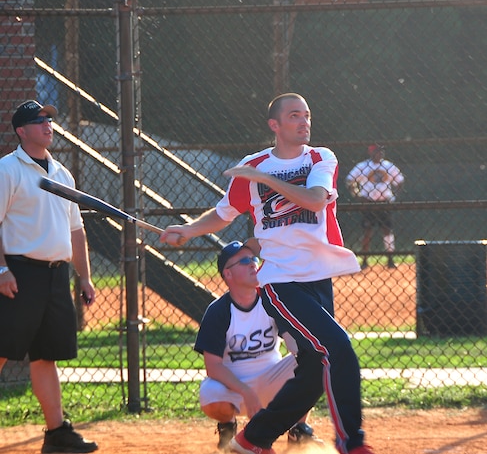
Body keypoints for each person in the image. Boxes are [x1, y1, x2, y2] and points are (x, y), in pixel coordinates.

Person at [160, 93, 376, 454]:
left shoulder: (320, 157)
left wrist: (263, 178)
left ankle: (252, 438)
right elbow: (224, 213)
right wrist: (188, 230)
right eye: (294, 116)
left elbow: (314, 199)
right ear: (274, 125)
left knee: (311, 370)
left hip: (318, 277)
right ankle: (352, 442)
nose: (304, 121)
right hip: (280, 280)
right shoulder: (253, 165)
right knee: (337, 348)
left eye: (306, 115)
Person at [0, 100, 98, 453]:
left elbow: (76, 230)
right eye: (38, 121)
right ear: (21, 131)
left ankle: (57, 433)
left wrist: (83, 277)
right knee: (2, 349)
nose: (47, 125)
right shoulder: (8, 170)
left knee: (46, 356)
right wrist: (1, 270)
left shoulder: (62, 174)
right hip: (19, 272)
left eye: (49, 120)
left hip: (56, 275)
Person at [195, 240, 323, 451]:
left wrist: (300, 350)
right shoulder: (218, 311)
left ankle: (298, 429)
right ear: (228, 274)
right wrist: (246, 392)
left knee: (314, 358)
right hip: (235, 388)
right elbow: (213, 367)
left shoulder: (271, 300)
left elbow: (292, 340)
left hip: (272, 379)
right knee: (209, 394)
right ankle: (228, 425)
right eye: (244, 261)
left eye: (254, 259)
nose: (253, 264)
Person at [345, 144, 405, 269]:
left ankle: (390, 259)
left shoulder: (388, 166)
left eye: (381, 151)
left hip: (384, 202)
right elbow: (350, 180)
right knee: (367, 231)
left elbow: (400, 181)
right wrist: (357, 196)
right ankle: (365, 260)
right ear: (370, 153)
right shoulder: (362, 166)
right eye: (377, 151)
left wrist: (393, 196)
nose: (379, 153)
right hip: (369, 203)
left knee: (387, 231)